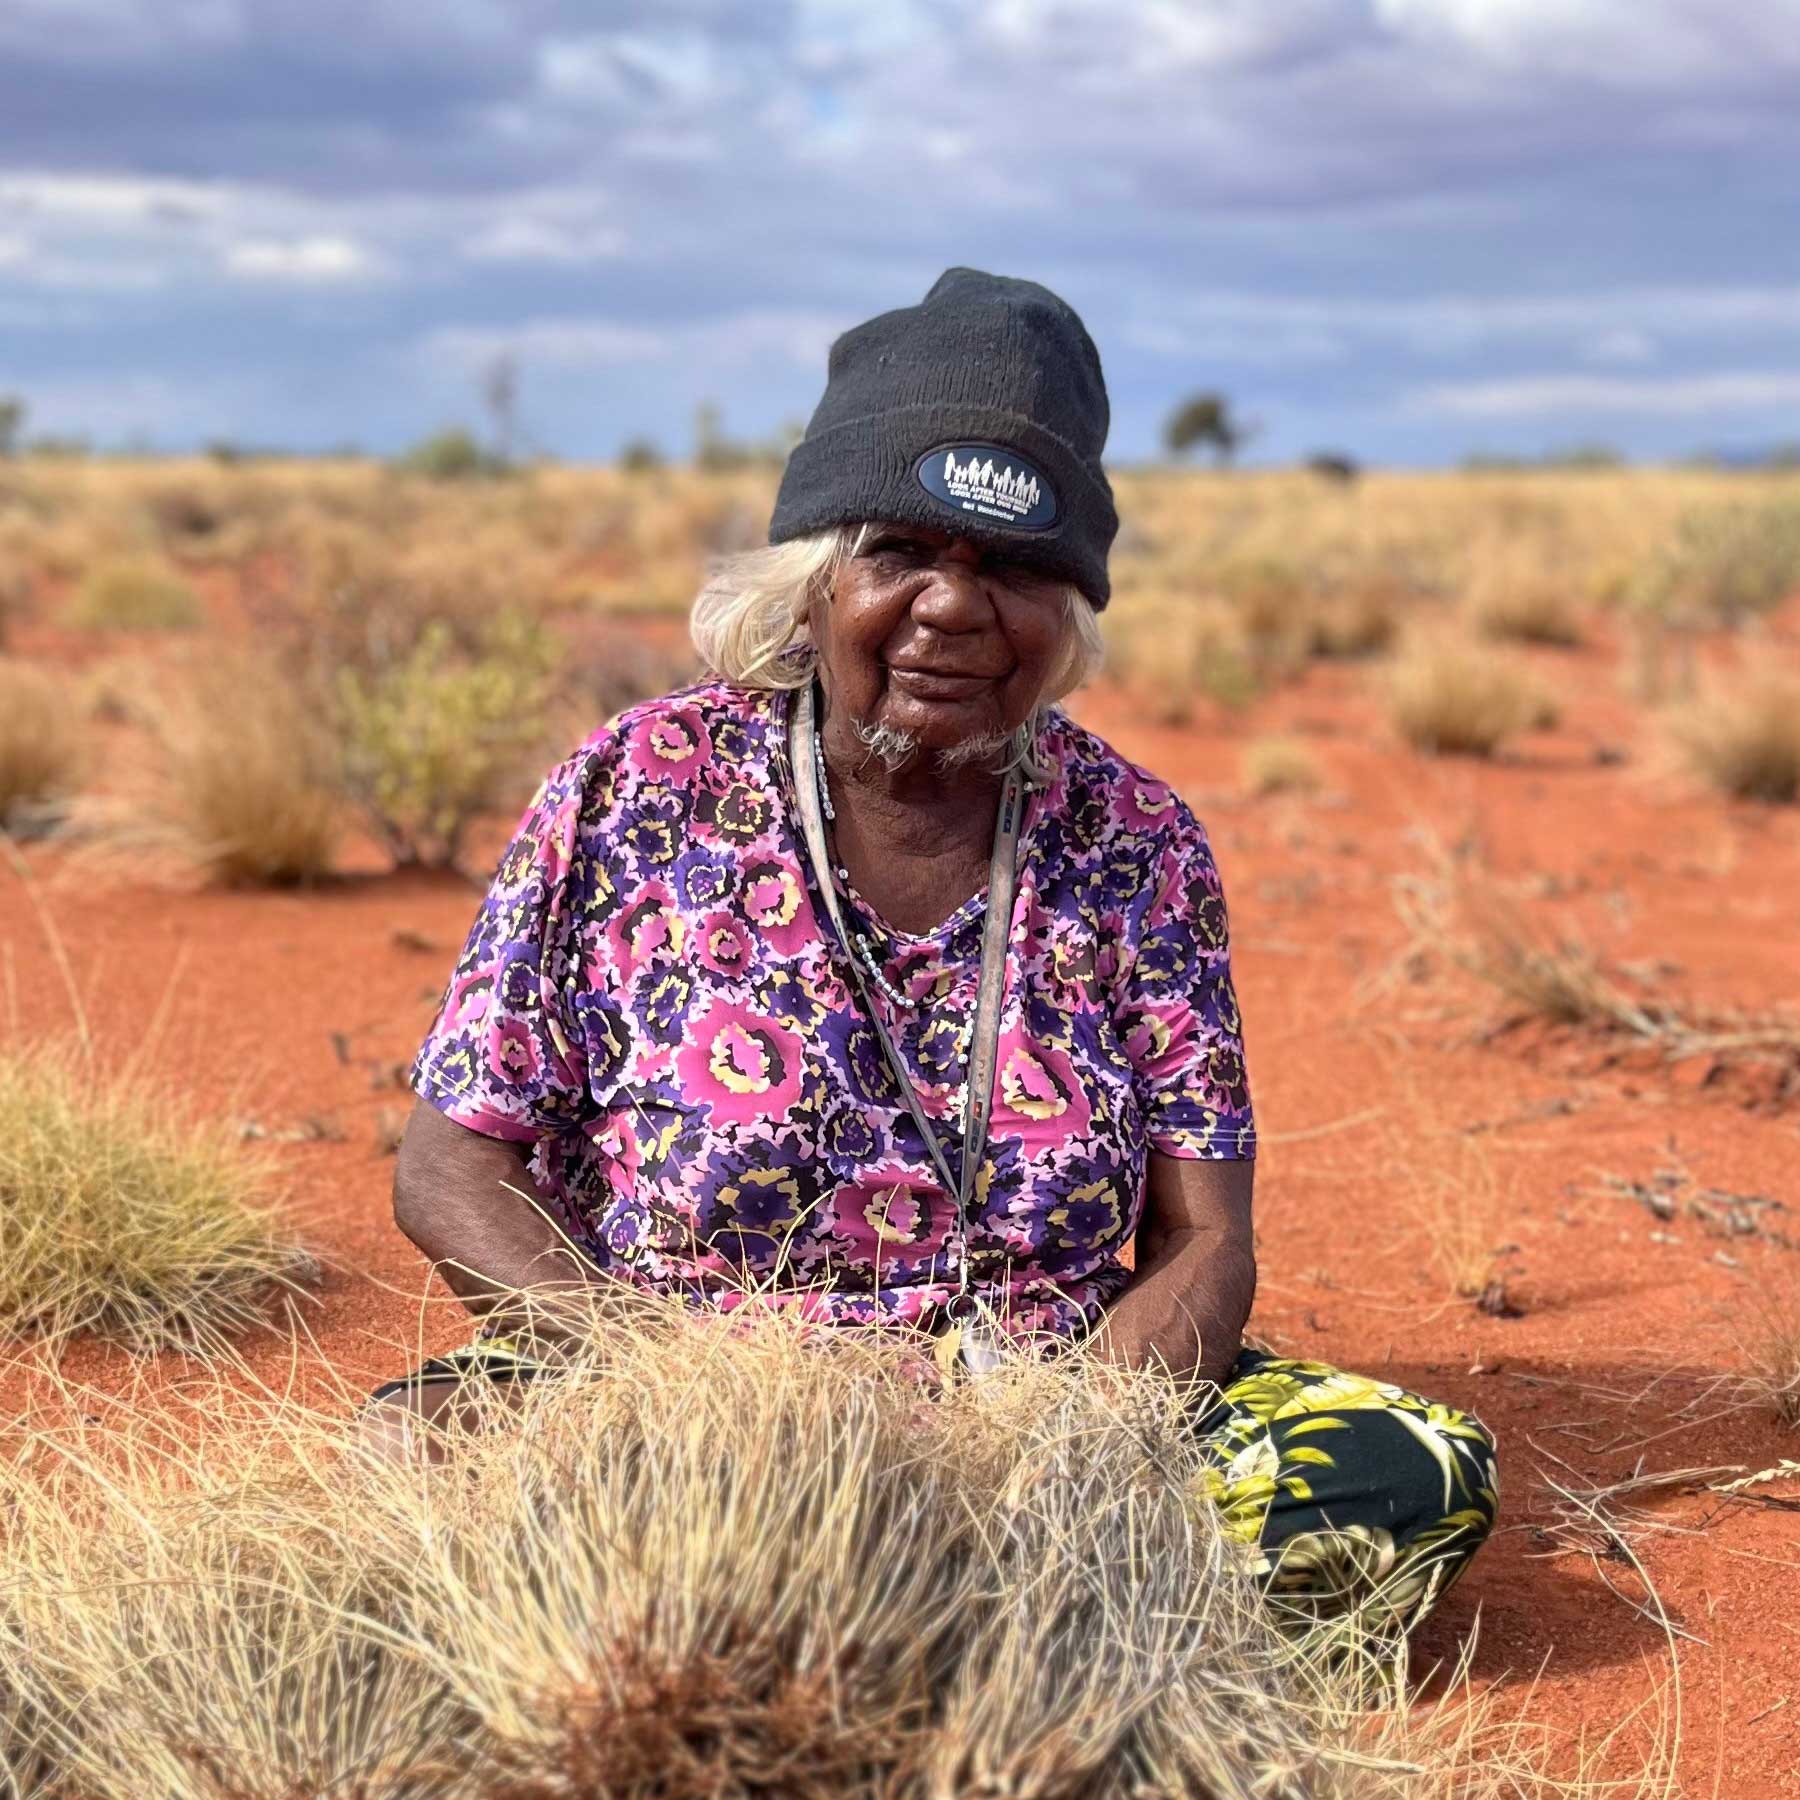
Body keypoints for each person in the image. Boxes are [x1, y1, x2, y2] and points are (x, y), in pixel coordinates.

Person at [367, 267, 1497, 1632]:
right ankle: (979, 1637)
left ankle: (902, 1623)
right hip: (673, 1395)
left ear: (1067, 614)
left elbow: (1203, 1241)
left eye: (1015, 566)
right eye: (902, 551)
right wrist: (661, 1395)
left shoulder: (1135, 841)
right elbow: (450, 1164)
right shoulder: (634, 787)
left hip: (1038, 1416)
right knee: (420, 1465)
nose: (956, 609)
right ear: (814, 580)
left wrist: (1050, 1453)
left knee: (1403, 1477)